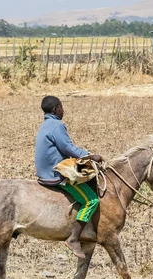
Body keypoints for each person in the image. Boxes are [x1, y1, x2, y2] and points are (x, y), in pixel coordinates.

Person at [34, 96, 103, 259]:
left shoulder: (45, 125)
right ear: (55, 110)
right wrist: (90, 156)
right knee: (91, 200)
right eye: (61, 107)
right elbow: (67, 147)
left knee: (92, 173)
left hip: (46, 169)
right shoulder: (57, 125)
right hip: (57, 172)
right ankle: (73, 239)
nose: (63, 110)